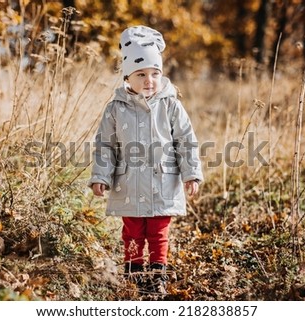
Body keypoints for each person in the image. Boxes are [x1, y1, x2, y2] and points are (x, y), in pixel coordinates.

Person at [88, 25, 203, 295]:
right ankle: (133, 273)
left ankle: (157, 274)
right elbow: (105, 144)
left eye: (155, 73)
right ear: (128, 77)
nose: (149, 80)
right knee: (133, 231)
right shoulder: (116, 107)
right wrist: (100, 176)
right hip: (129, 184)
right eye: (141, 74)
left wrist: (191, 173)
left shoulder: (171, 105)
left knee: (158, 232)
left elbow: (186, 140)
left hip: (164, 181)